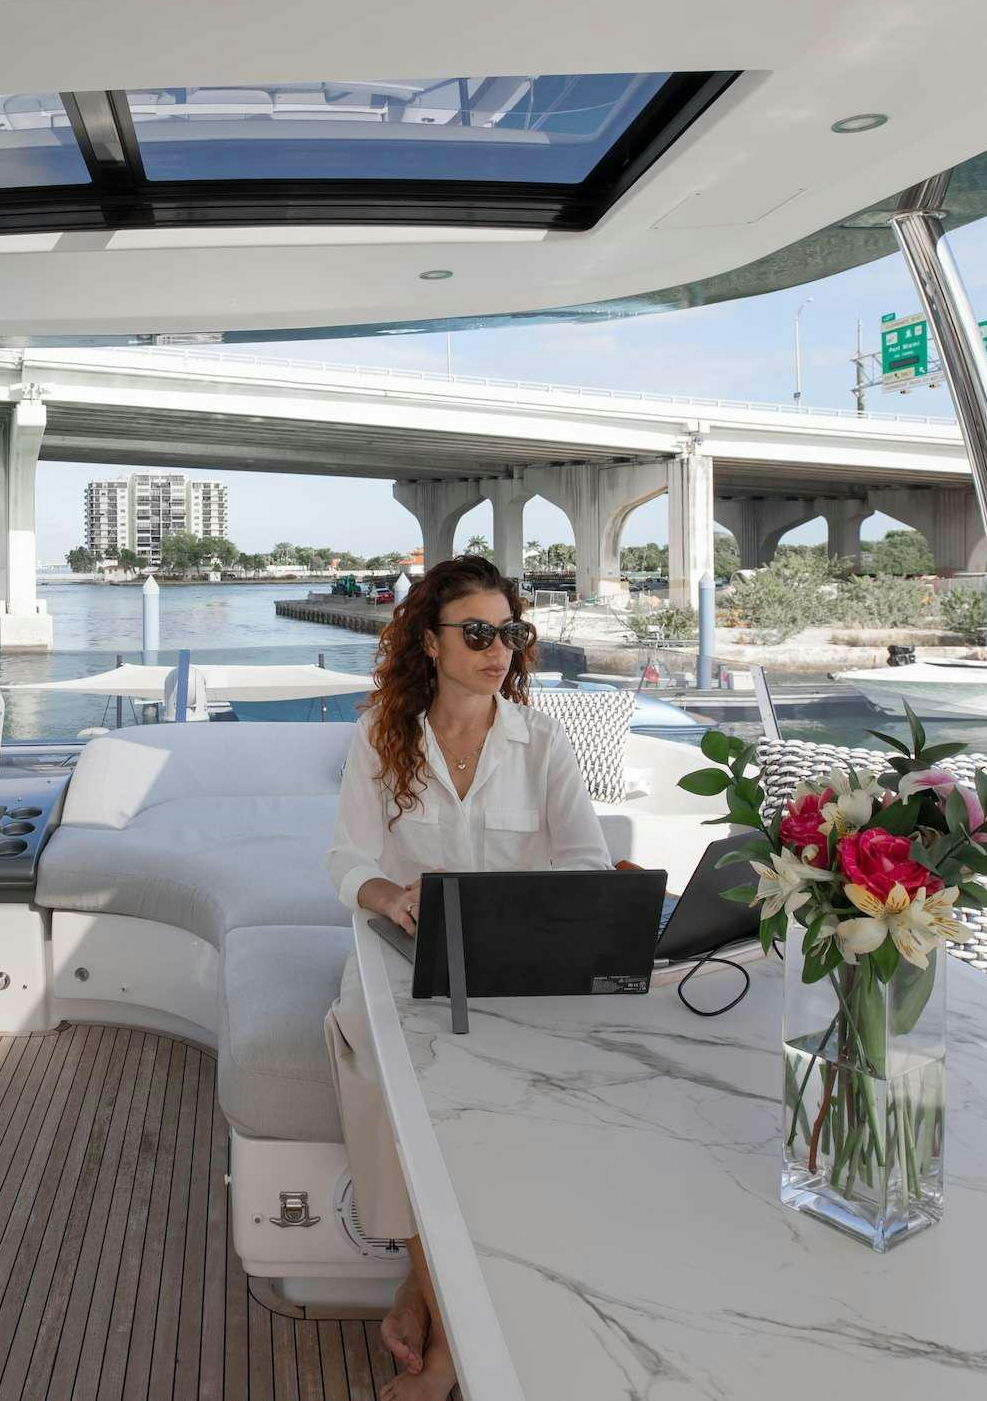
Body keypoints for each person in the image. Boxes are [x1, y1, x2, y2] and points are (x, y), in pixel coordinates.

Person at [322, 554, 616, 1401]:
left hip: (511, 963)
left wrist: (521, 911)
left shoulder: (543, 740)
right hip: (397, 949)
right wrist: (389, 894)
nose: (500, 649)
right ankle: (453, 1342)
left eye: (512, 632)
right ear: (431, 639)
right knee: (378, 1067)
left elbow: (587, 863)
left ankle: (418, 1285)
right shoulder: (381, 734)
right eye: (478, 632)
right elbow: (347, 857)